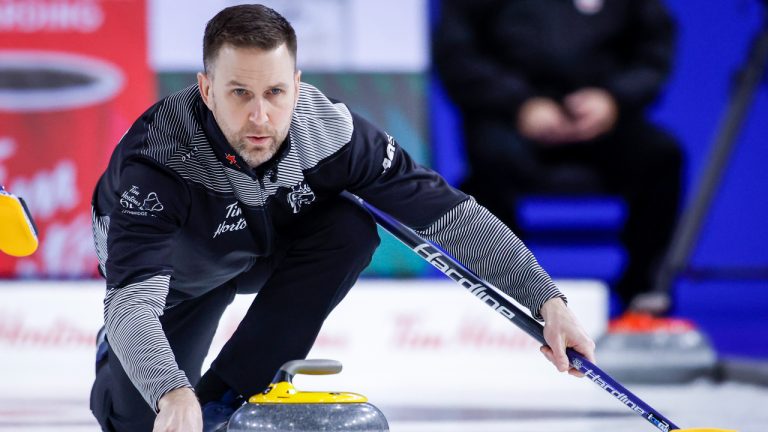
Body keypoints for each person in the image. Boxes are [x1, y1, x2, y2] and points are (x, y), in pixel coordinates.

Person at [89, 4, 595, 432]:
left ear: (296, 85)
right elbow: (132, 301)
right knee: (139, 419)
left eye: (275, 93)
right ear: (206, 89)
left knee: (350, 227)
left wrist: (547, 298)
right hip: (178, 277)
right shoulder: (157, 161)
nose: (260, 117)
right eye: (239, 93)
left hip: (267, 243)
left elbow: (451, 216)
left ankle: (233, 399)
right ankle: (128, 369)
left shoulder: (335, 133)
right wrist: (172, 391)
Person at [433, 0, 684, 315]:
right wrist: (519, 103)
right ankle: (508, 292)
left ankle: (644, 294)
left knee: (661, 156)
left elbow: (652, 52)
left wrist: (613, 98)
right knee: (490, 162)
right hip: (509, 118)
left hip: (603, 120)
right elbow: (457, 55)